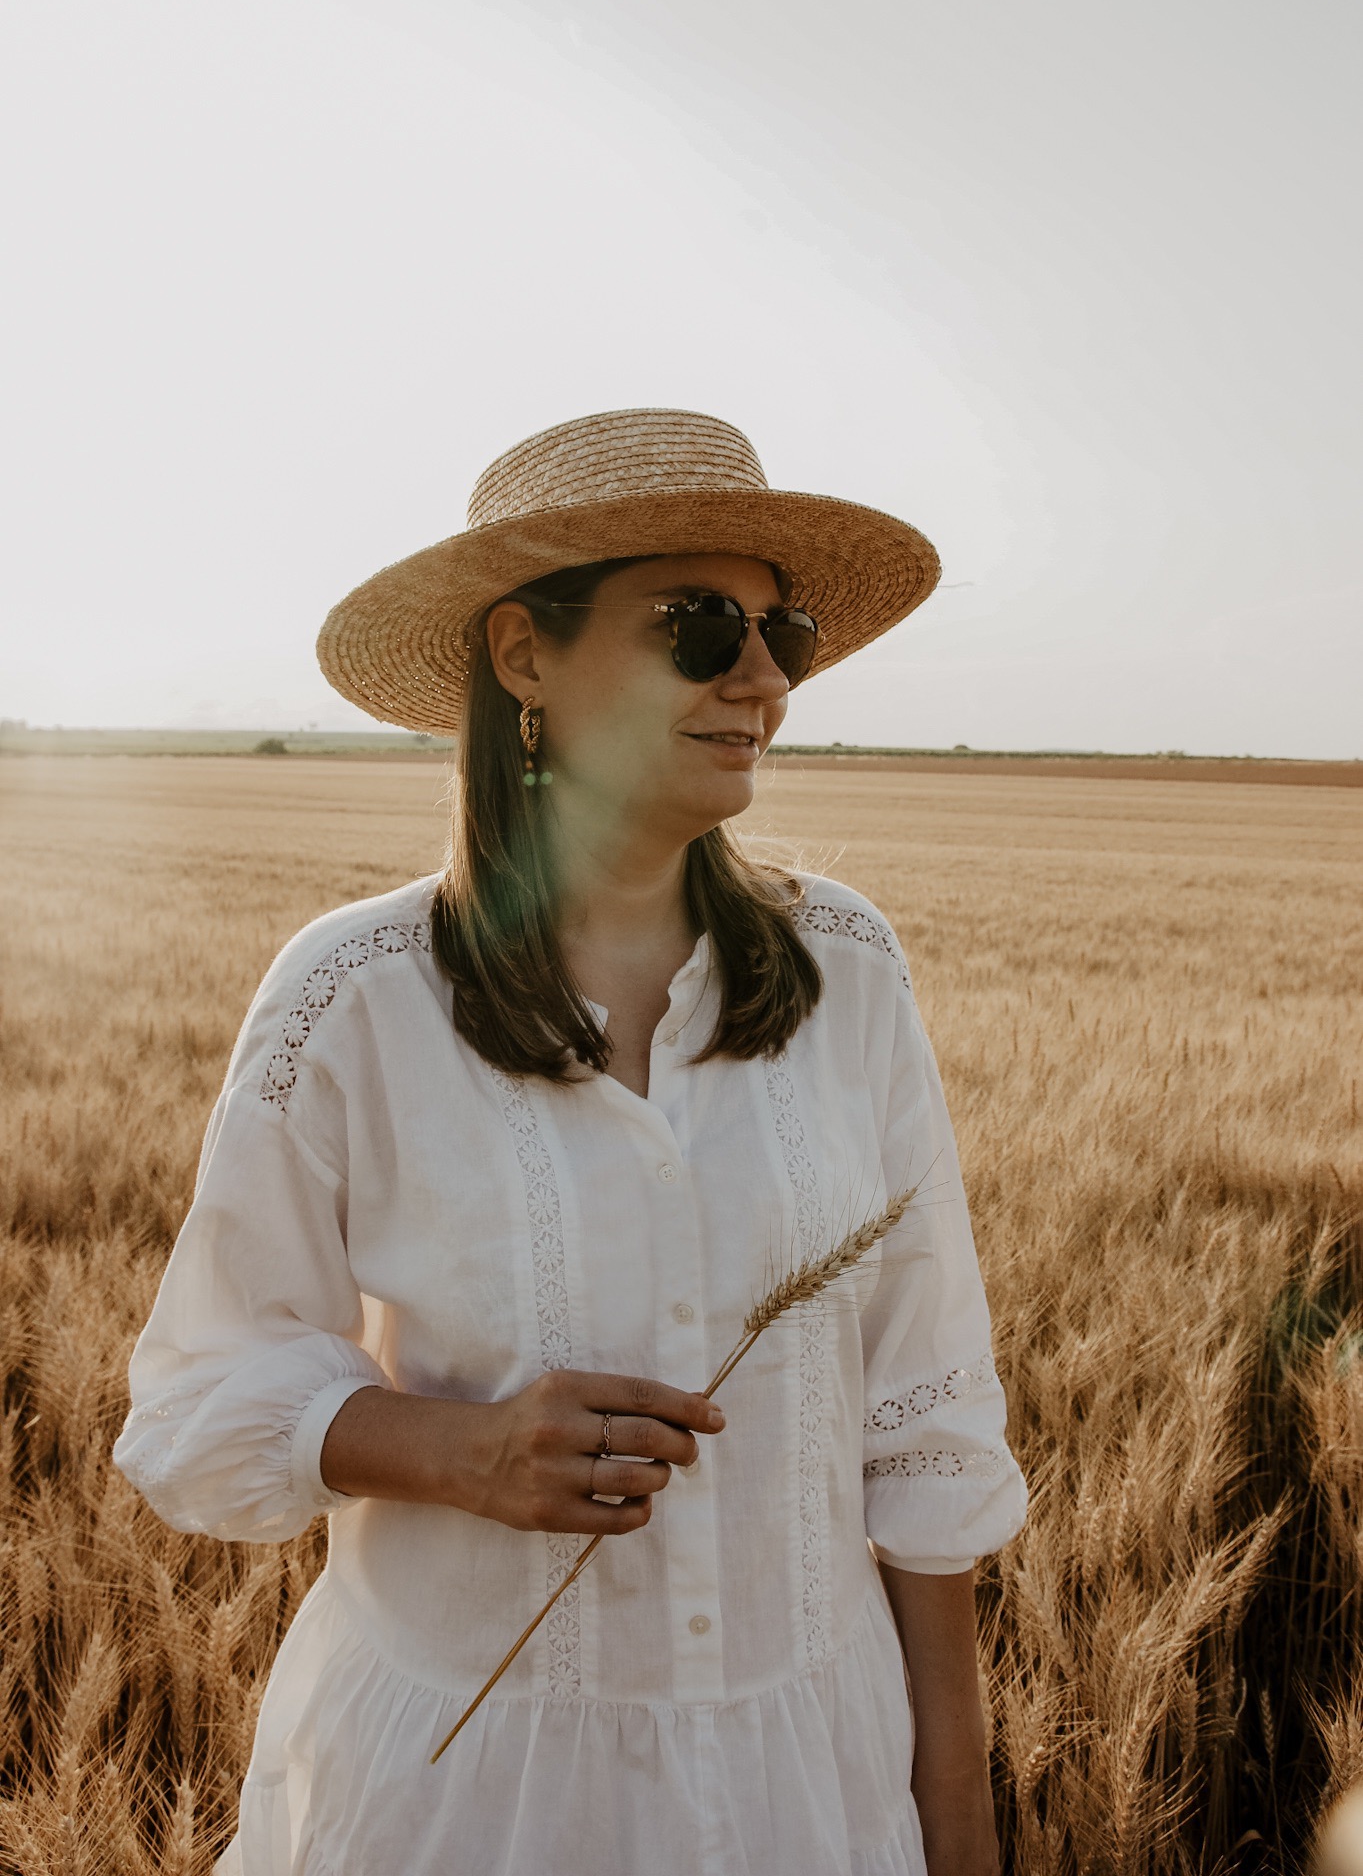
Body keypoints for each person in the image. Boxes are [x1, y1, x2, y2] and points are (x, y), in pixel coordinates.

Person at [114, 408, 1027, 1876]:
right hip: (461, 1800)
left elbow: (926, 1422)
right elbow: (196, 1397)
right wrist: (457, 1451)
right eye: (701, 624)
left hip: (810, 1789)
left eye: (780, 627)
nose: (766, 678)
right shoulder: (352, 997)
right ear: (522, 656)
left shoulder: (848, 969)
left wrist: (963, 1838)